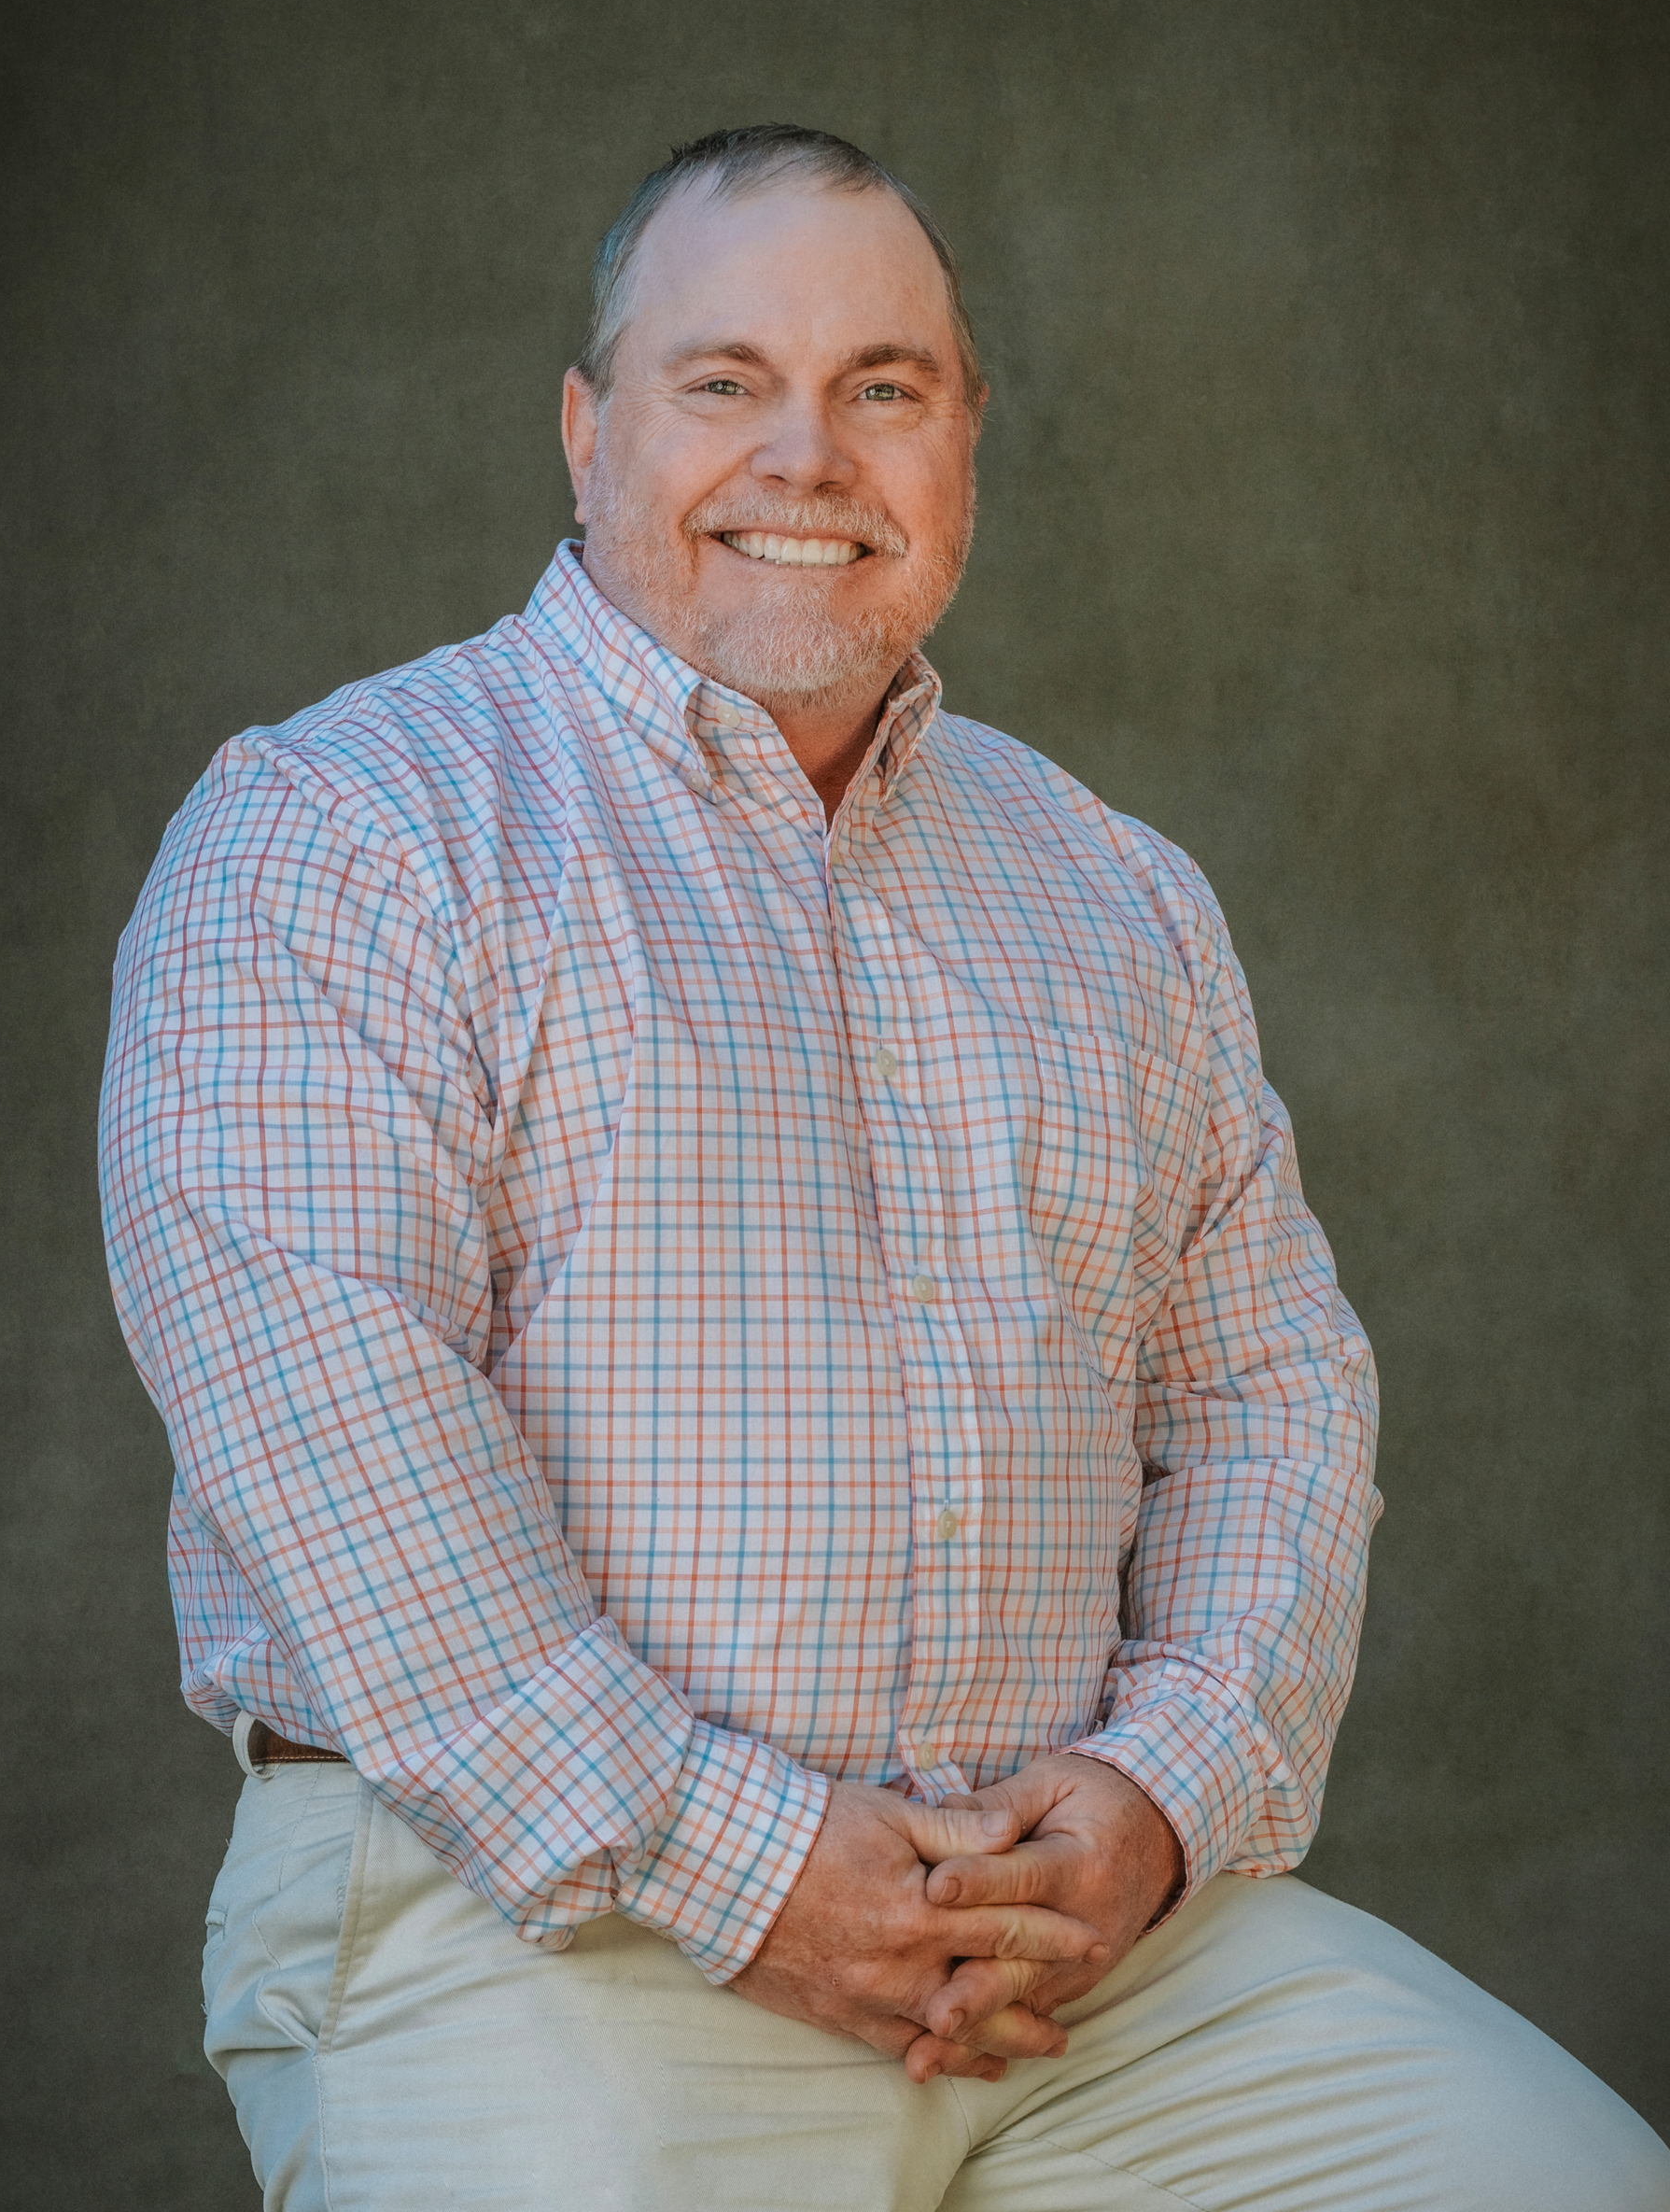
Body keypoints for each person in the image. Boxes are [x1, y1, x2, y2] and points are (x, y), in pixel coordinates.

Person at [100, 124, 1668, 2210]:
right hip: (535, 1919)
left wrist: (1157, 1792)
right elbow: (337, 1442)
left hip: (1079, 1958)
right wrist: (755, 1867)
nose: (809, 455)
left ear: (965, 443)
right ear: (588, 431)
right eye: (723, 379)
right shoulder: (343, 830)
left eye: (885, 388)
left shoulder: (1115, 889)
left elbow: (1276, 1394)